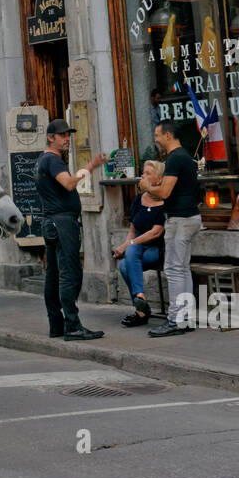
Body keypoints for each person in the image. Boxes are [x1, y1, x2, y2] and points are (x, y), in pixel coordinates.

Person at [35, 118, 106, 341]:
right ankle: (73, 326)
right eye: (62, 135)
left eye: (68, 135)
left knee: (54, 275)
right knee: (69, 274)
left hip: (52, 222)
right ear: (50, 137)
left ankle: (56, 325)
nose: (67, 139)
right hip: (62, 223)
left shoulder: (42, 161)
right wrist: (91, 166)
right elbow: (69, 183)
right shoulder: (53, 160)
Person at [139, 120, 202, 336]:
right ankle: (186, 317)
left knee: (174, 270)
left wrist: (146, 186)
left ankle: (175, 320)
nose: (155, 140)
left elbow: (165, 192)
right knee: (183, 268)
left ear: (167, 135)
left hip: (179, 219)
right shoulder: (185, 157)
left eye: (157, 136)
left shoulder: (175, 158)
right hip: (191, 216)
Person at [113, 159, 166, 326]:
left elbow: (155, 233)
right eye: (143, 173)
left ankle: (140, 311)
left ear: (159, 179)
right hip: (138, 247)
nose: (142, 176)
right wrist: (127, 244)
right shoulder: (138, 199)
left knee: (125, 263)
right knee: (126, 259)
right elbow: (132, 231)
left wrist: (125, 246)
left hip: (158, 248)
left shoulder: (165, 201)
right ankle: (140, 301)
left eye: (148, 173)